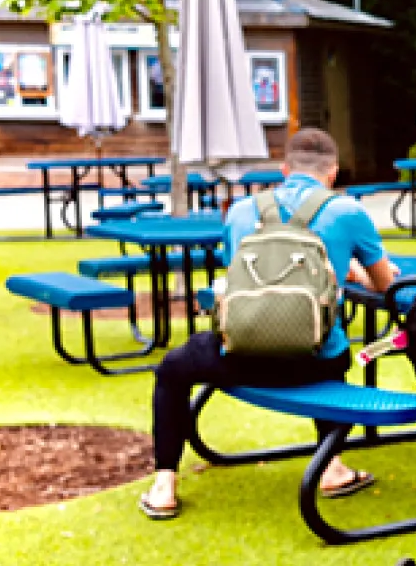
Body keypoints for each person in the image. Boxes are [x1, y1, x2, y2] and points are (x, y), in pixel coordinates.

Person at [139, 128, 396, 520]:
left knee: (172, 370)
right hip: (313, 363)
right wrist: (353, 272)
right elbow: (387, 286)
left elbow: (246, 279)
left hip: (240, 357)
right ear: (333, 173)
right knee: (333, 341)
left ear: (284, 169)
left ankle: (163, 486)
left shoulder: (243, 211)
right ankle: (332, 468)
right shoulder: (347, 212)